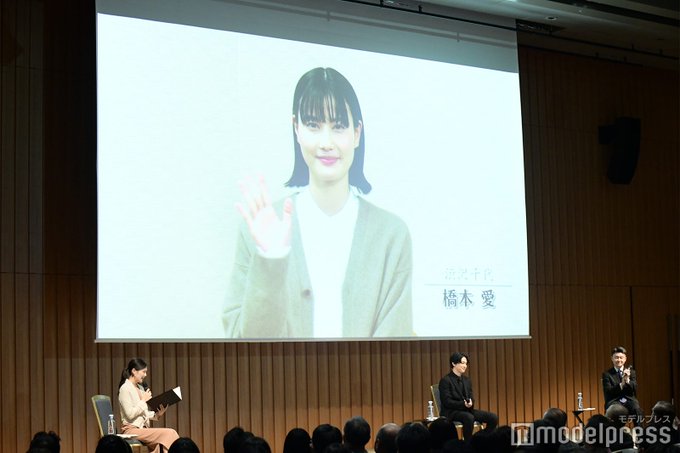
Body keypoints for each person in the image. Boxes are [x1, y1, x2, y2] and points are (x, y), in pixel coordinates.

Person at [223, 67, 413, 339]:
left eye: (338, 126)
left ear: (357, 133)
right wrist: (270, 259)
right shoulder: (260, 228)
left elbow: (396, 350)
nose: (326, 142)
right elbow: (242, 344)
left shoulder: (391, 235)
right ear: (296, 128)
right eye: (313, 125)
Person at [118, 358, 179, 453]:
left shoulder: (140, 388)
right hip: (131, 430)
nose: (145, 375)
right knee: (170, 433)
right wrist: (143, 401)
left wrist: (157, 414)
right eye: (143, 372)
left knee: (161, 443)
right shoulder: (125, 388)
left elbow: (143, 413)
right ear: (134, 371)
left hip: (143, 429)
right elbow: (130, 414)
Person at [438, 353, 498, 443]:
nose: (465, 366)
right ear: (453, 363)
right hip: (451, 412)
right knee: (469, 417)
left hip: (466, 410)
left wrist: (471, 403)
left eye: (466, 363)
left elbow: (471, 397)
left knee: (493, 418)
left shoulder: (467, 380)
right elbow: (447, 401)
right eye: (462, 363)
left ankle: (479, 439)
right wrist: (463, 404)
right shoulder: (445, 380)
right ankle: (467, 444)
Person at [601, 346, 643, 424]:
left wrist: (627, 380)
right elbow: (608, 391)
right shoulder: (607, 374)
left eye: (621, 357)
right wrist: (622, 384)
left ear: (625, 359)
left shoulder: (631, 372)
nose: (619, 360)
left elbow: (634, 388)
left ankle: (640, 431)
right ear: (612, 358)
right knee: (614, 411)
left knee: (636, 408)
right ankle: (613, 431)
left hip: (629, 400)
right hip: (614, 401)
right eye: (616, 357)